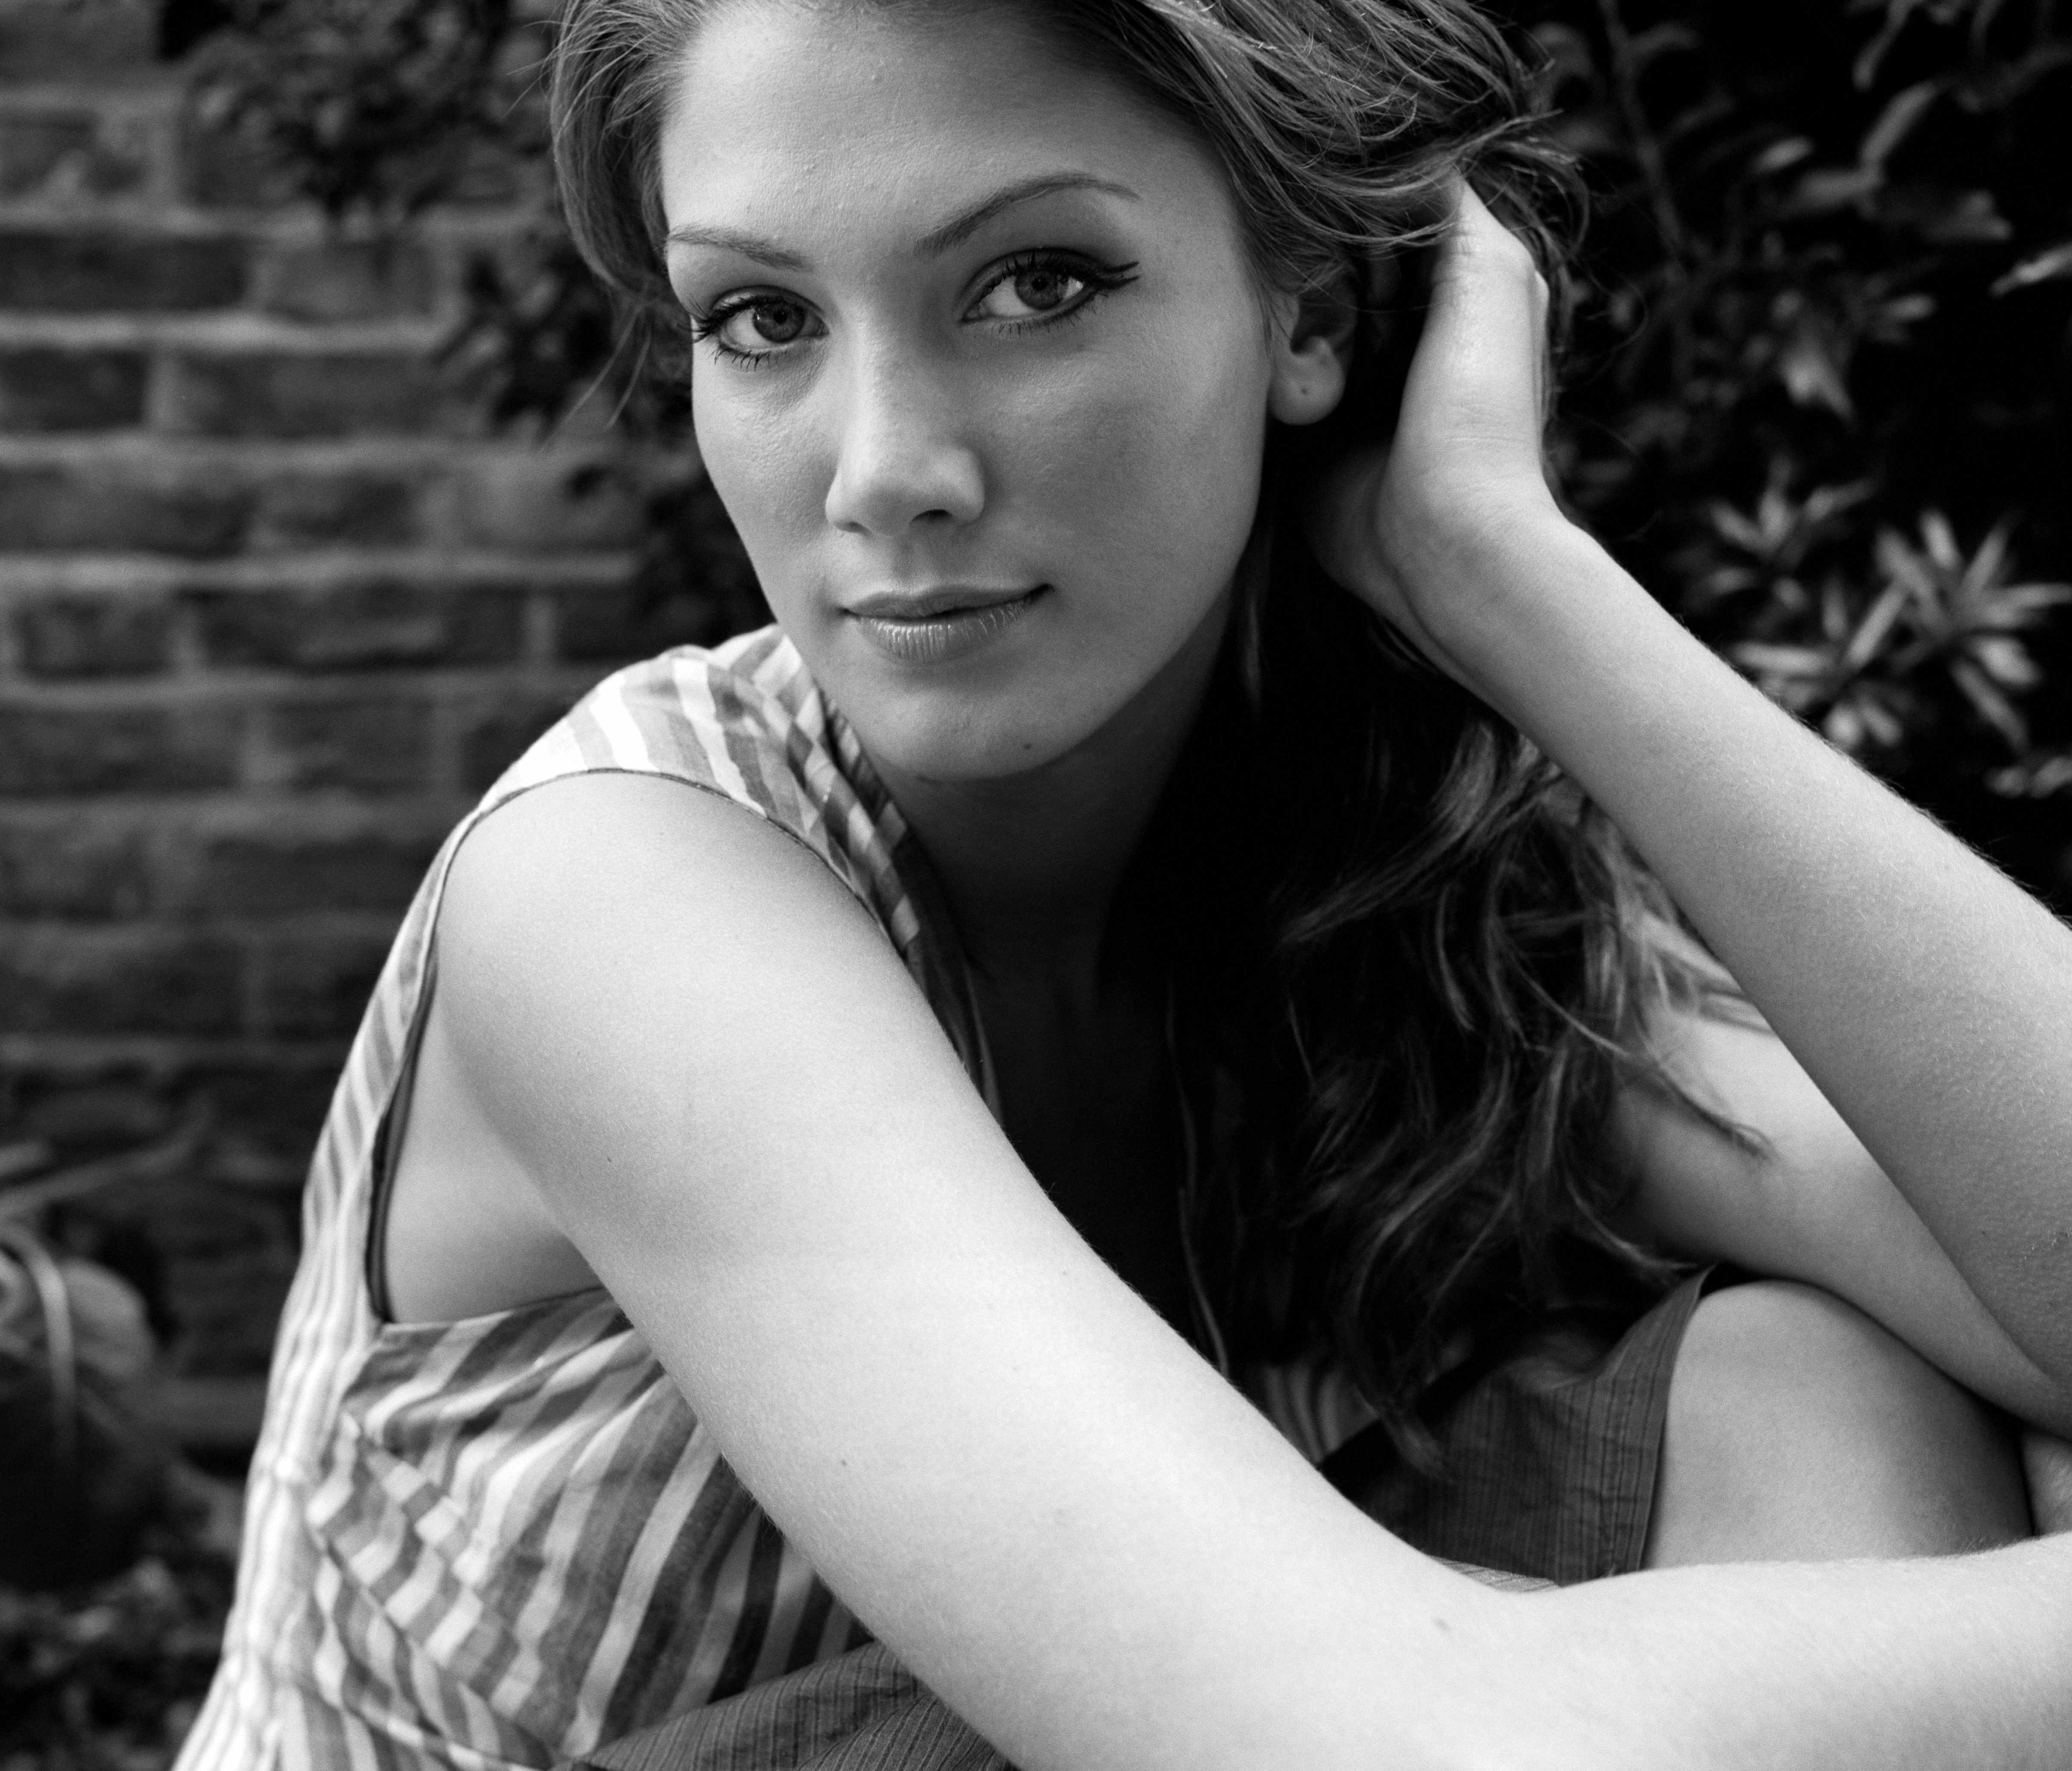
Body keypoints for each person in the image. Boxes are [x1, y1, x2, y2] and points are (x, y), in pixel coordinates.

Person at [178, 3, 2072, 1767]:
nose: (883, 471)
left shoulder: (1369, 851)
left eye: (1035, 284)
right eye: (760, 317)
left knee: (1809, 1380)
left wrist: (1499, 567)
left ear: (1309, 312)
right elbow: (1387, 1744)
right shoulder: (622, 900)